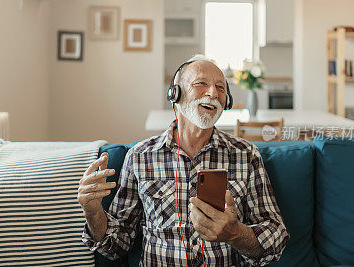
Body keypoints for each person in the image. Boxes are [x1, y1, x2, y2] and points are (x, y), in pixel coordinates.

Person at [78, 54, 290, 266]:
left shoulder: (246, 155)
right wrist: (94, 212)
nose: (213, 93)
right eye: (201, 84)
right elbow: (117, 246)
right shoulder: (140, 157)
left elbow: (276, 237)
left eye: (221, 87)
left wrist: (234, 233)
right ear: (175, 94)